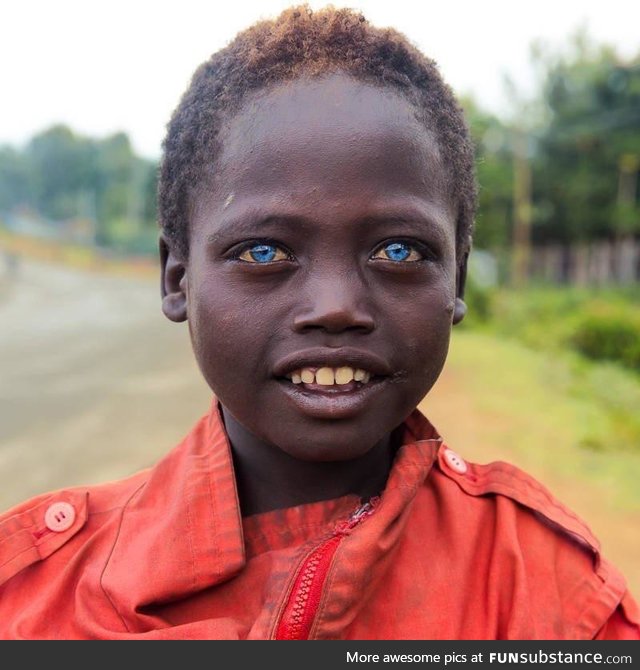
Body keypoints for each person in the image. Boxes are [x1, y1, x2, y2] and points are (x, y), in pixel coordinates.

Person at [0, 5, 638, 640]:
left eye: (398, 251)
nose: (336, 306)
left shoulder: (547, 595)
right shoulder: (35, 598)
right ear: (177, 278)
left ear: (457, 282)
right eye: (263, 251)